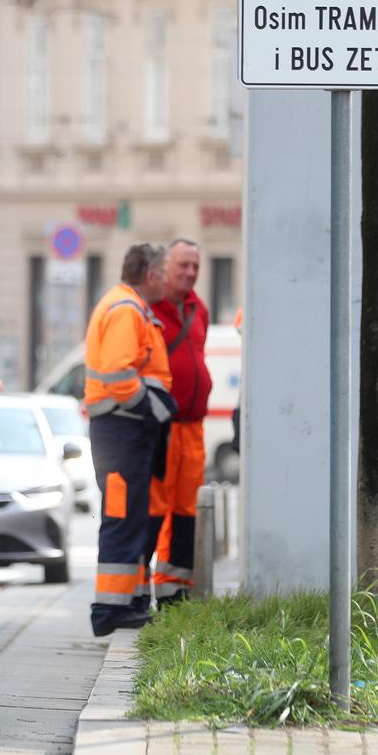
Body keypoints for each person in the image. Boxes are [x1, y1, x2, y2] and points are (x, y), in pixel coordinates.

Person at [85, 244, 175, 637]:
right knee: (123, 518)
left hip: (125, 431)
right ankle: (109, 609)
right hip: (122, 430)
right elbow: (118, 376)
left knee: (133, 517)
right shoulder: (125, 310)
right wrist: (154, 408)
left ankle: (130, 603)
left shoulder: (129, 306)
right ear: (151, 275)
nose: (168, 279)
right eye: (166, 271)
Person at [148, 239, 213, 605]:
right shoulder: (150, 307)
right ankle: (150, 586)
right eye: (183, 266)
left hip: (193, 427)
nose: (190, 273)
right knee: (156, 507)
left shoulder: (197, 309)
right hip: (162, 426)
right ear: (165, 268)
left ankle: (176, 590)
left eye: (195, 267)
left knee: (186, 509)